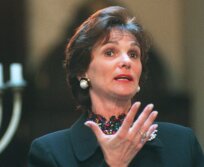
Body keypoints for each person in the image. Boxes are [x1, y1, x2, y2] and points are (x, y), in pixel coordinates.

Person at [28, 6, 204, 167]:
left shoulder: (182, 143)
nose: (126, 61)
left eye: (133, 54)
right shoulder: (50, 152)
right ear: (83, 71)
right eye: (110, 52)